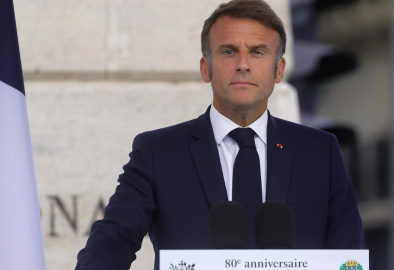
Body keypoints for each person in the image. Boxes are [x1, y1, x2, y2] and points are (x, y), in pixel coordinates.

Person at [76, 1, 364, 269]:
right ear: (206, 68)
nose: (242, 64)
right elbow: (111, 242)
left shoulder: (319, 152)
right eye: (228, 51)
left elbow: (347, 254)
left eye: (257, 52)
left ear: (279, 70)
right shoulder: (158, 152)